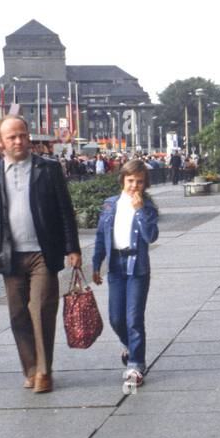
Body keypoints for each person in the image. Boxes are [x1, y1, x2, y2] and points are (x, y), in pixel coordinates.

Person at [0, 114, 82, 394]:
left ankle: (44, 372)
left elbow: (64, 210)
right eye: (12, 137)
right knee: (18, 315)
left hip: (42, 253)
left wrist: (73, 248)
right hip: (10, 255)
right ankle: (30, 369)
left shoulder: (48, 169)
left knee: (42, 310)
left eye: (22, 135)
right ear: (0, 142)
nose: (19, 141)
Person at [92, 160, 159, 388]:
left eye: (139, 182)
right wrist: (95, 263)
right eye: (130, 181)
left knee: (133, 318)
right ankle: (129, 345)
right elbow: (101, 236)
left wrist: (140, 211)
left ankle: (136, 364)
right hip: (115, 266)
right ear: (122, 180)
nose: (134, 186)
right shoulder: (110, 205)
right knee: (116, 318)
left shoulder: (147, 207)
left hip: (137, 266)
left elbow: (151, 236)